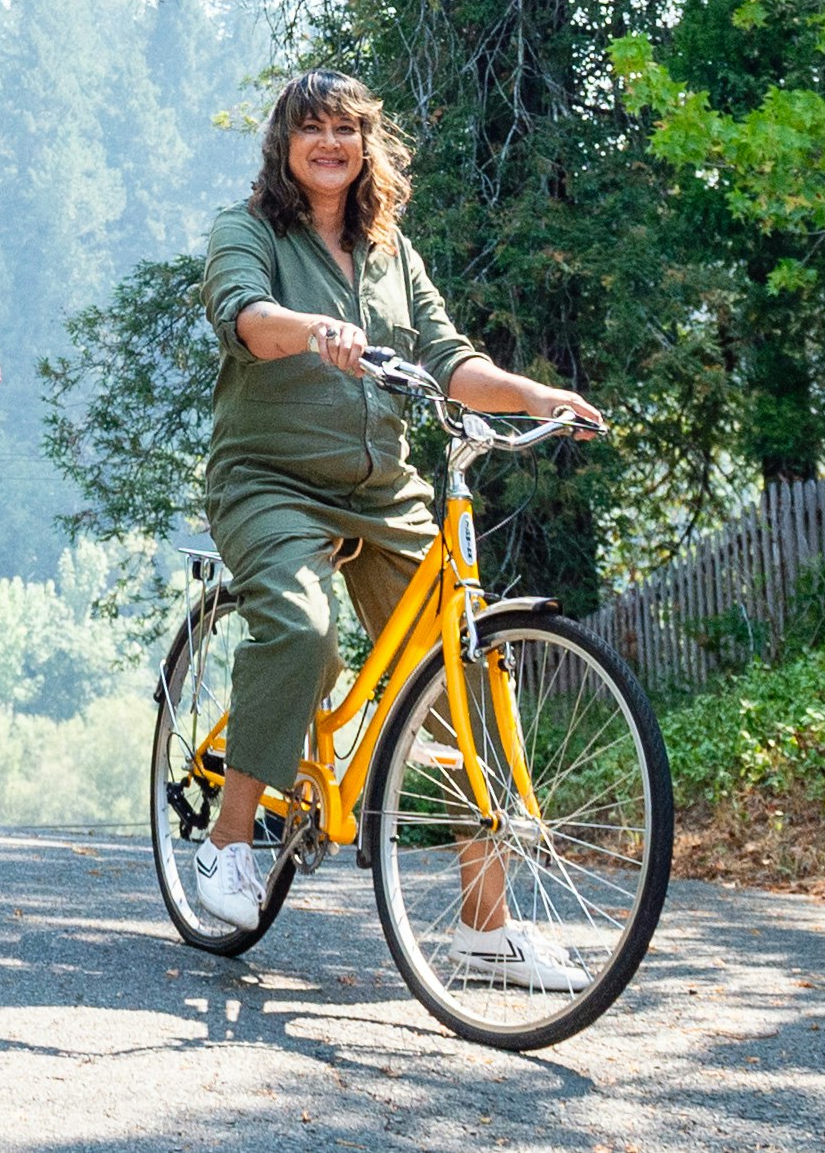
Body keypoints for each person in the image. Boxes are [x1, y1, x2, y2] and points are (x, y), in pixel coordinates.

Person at [186, 69, 606, 982]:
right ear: (283, 145)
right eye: (310, 129)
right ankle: (226, 842)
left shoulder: (389, 250)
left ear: (367, 144)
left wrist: (534, 392)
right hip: (269, 478)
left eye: (345, 128)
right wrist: (308, 329)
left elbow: (450, 359)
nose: (328, 143)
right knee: (300, 629)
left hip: (384, 489)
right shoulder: (248, 229)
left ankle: (485, 928)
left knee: (466, 667)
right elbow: (248, 319)